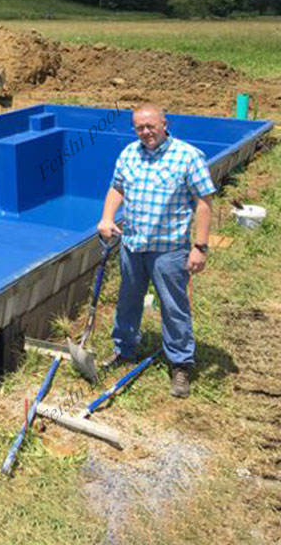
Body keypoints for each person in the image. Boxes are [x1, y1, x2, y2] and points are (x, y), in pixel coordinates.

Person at [97, 103, 215, 398]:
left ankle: (180, 363)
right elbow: (117, 188)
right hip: (133, 245)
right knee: (128, 300)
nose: (146, 132)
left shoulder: (188, 156)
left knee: (173, 307)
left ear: (164, 124)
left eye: (151, 126)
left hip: (169, 250)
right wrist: (107, 218)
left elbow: (204, 202)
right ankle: (124, 350)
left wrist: (200, 247)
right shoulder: (129, 153)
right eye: (140, 127)